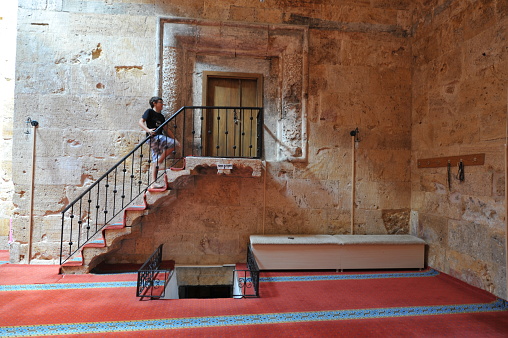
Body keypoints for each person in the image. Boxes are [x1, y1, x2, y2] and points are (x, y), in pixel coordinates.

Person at [138, 96, 178, 188]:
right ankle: (160, 160)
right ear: (154, 103)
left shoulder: (161, 116)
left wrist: (174, 138)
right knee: (173, 144)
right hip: (153, 137)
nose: (162, 104)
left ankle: (153, 183)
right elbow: (140, 122)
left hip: (159, 138)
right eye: (160, 102)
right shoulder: (149, 112)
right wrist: (148, 130)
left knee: (156, 160)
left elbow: (166, 128)